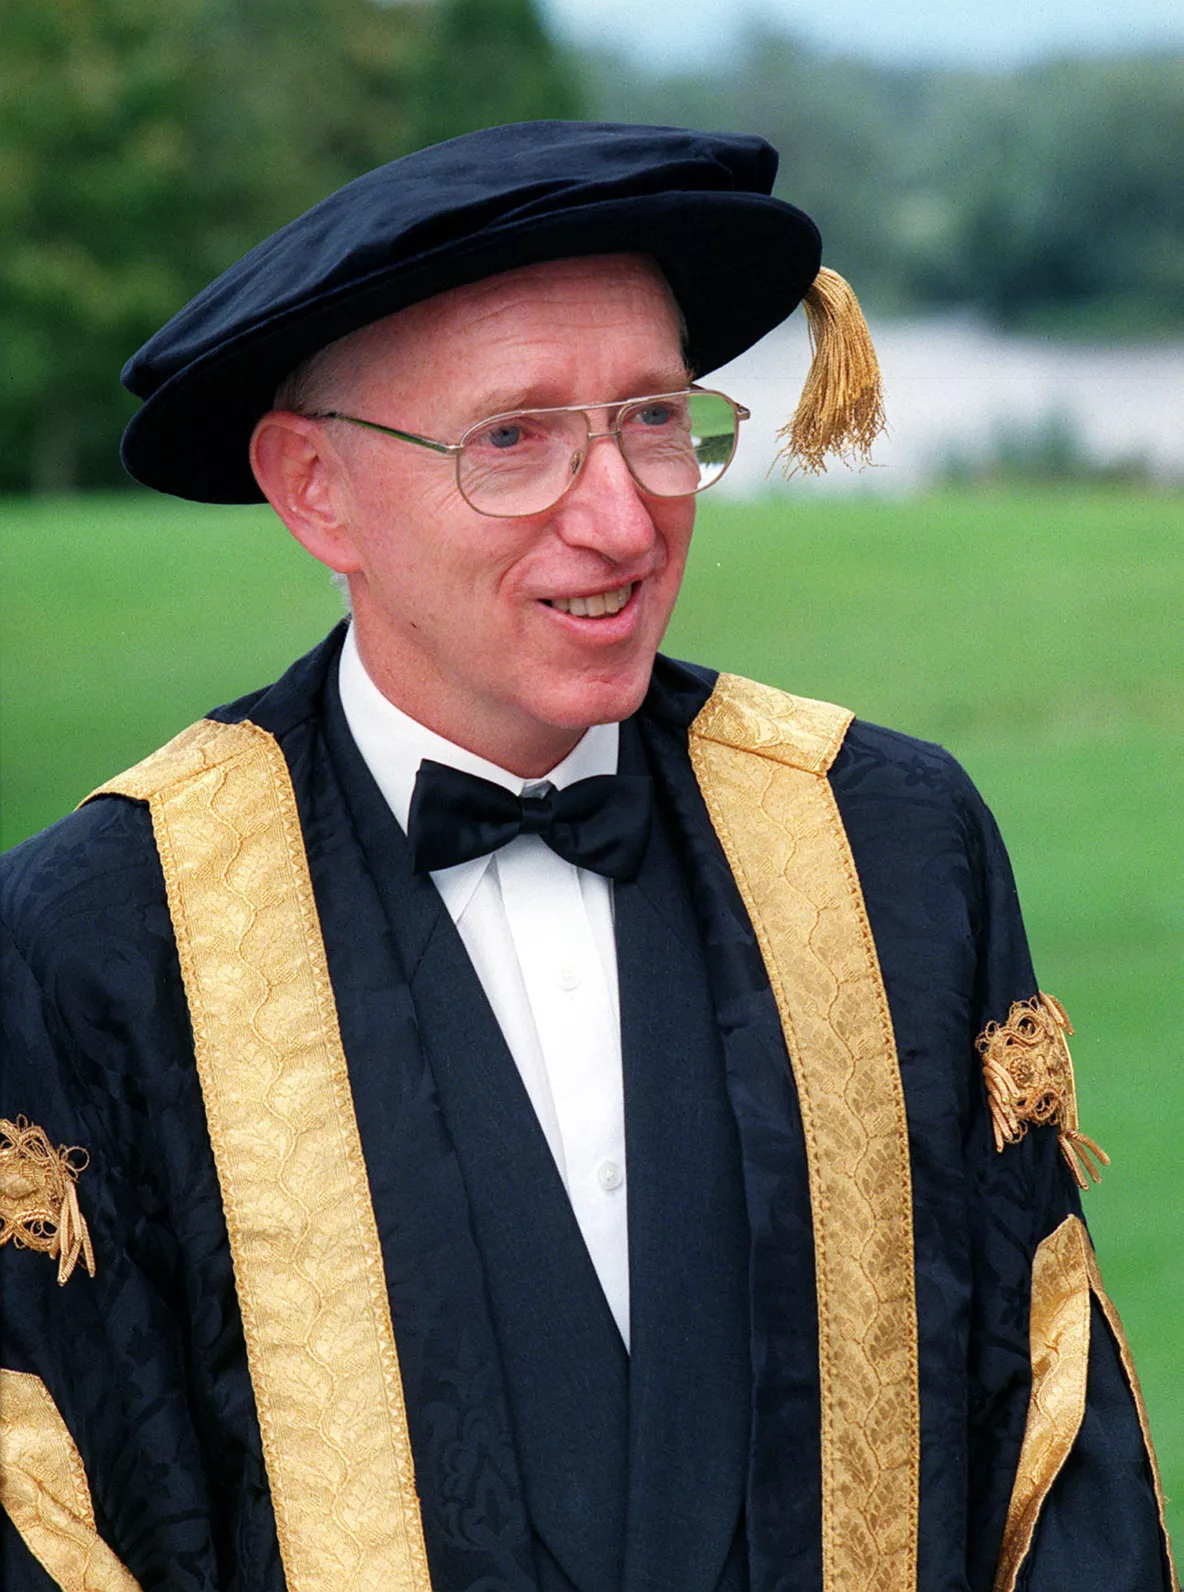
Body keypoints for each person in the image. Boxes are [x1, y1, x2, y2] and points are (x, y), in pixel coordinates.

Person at [0, 121, 1175, 1592]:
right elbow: (47, 1500)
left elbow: (1047, 1436)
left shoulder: (890, 841)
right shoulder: (105, 930)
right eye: (514, 439)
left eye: (657, 420)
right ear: (317, 491)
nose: (622, 519)